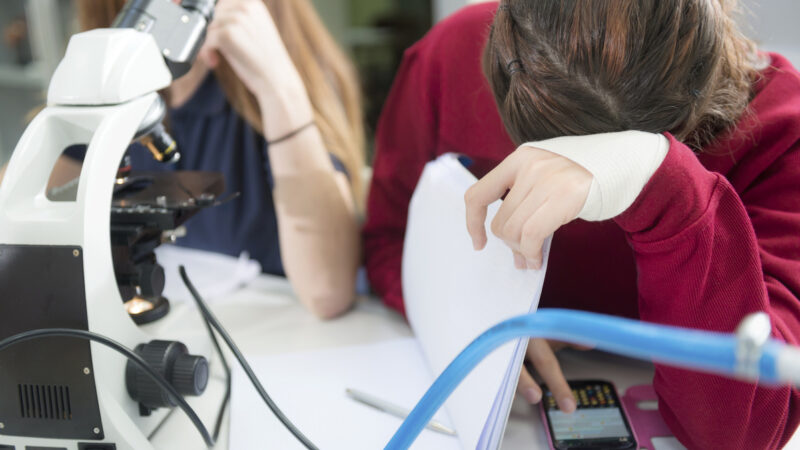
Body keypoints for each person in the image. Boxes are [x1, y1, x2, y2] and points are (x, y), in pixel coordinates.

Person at [364, 1, 800, 448]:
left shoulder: (781, 126)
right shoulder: (450, 54)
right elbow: (387, 242)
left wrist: (668, 188)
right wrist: (475, 321)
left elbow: (742, 432)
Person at [34, 0, 365, 319]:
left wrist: (280, 89)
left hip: (276, 340)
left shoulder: (283, 87)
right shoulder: (110, 86)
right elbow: (42, 241)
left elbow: (328, 292)